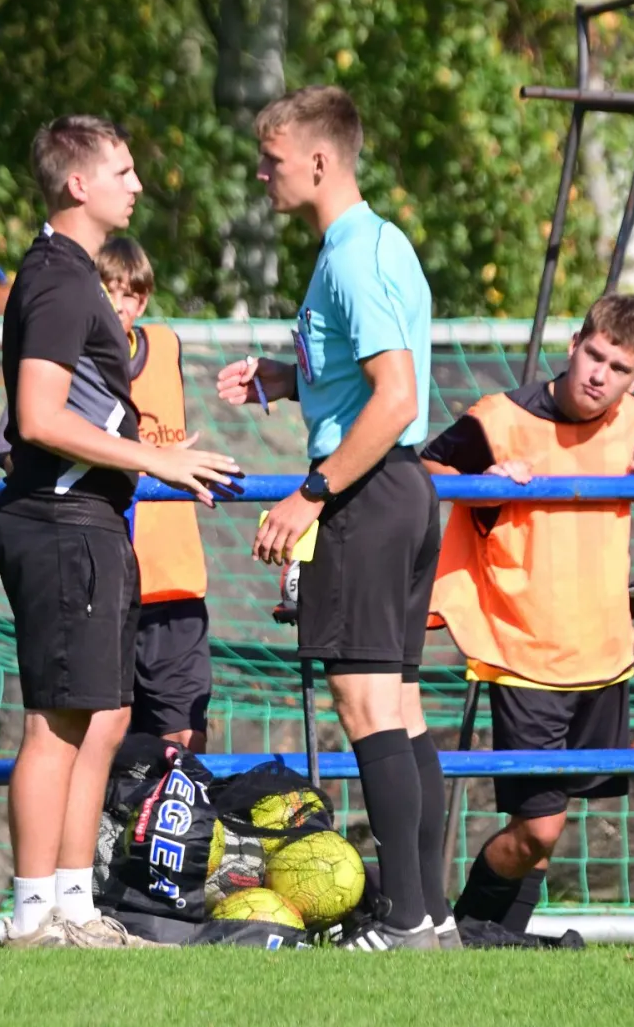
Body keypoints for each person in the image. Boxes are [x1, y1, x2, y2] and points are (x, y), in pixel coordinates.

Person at [0, 115, 240, 948]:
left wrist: (153, 459)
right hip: (58, 521)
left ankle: (74, 905)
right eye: (123, 171)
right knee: (55, 722)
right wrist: (154, 458)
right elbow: (37, 416)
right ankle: (33, 915)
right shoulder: (60, 281)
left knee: (102, 717)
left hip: (91, 520)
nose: (136, 185)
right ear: (78, 184)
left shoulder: (75, 277)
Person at [216, 85, 453, 951]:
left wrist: (310, 493)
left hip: (367, 496)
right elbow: (366, 377)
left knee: (365, 706)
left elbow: (397, 397)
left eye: (272, 159)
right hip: (401, 490)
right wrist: (289, 380)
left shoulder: (352, 257)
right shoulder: (375, 243)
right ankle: (434, 915)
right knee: (402, 707)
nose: (262, 173)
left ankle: (405, 918)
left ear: (319, 161)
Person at [422, 296, 634, 946]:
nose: (599, 375)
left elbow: (612, 465)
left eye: (618, 368)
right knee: (540, 827)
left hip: (603, 653)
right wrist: (483, 480)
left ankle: (493, 944)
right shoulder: (498, 418)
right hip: (523, 654)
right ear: (573, 345)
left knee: (548, 826)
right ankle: (466, 931)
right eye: (594, 355)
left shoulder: (630, 418)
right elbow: (423, 467)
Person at [0, 238, 216, 753]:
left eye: (130, 293)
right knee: (94, 730)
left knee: (183, 740)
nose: (119, 304)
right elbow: (19, 445)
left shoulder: (166, 349)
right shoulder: (62, 357)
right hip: (93, 570)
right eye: (108, 290)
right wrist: (121, 460)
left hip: (171, 582)